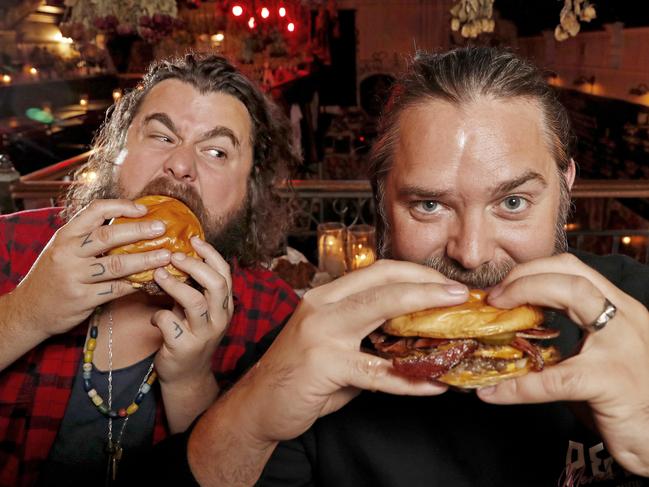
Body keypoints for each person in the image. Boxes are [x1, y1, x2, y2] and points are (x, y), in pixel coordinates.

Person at [141, 47, 649, 487]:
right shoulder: (310, 351)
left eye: (513, 202)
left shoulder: (638, 306)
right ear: (381, 201)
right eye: (429, 205)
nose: (470, 253)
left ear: (566, 188)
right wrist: (248, 422)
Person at [0, 53, 301, 486]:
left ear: (249, 190)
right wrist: (27, 312)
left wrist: (192, 382)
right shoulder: (12, 247)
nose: (181, 165)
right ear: (116, 152)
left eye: (216, 151)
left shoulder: (274, 319)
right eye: (161, 136)